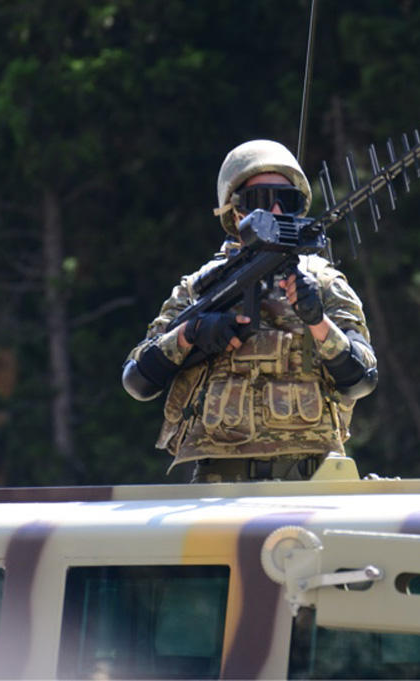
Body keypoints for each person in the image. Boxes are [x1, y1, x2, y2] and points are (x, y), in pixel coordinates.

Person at [122, 139, 377, 482]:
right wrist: (191, 334)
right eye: (259, 200)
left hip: (312, 481)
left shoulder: (325, 284)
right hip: (218, 487)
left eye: (285, 201)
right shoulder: (199, 288)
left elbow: (361, 380)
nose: (274, 212)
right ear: (234, 210)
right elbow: (138, 381)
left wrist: (317, 322)